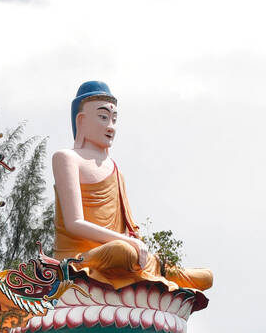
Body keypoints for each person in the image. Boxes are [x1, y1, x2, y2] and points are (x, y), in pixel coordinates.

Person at [52, 80, 213, 294]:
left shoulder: (115, 169)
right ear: (81, 120)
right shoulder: (67, 158)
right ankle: (152, 273)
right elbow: (74, 224)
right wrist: (127, 242)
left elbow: (128, 227)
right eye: (103, 117)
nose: (110, 126)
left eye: (114, 119)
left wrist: (135, 243)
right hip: (79, 259)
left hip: (121, 251)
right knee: (123, 252)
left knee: (206, 277)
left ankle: (157, 269)